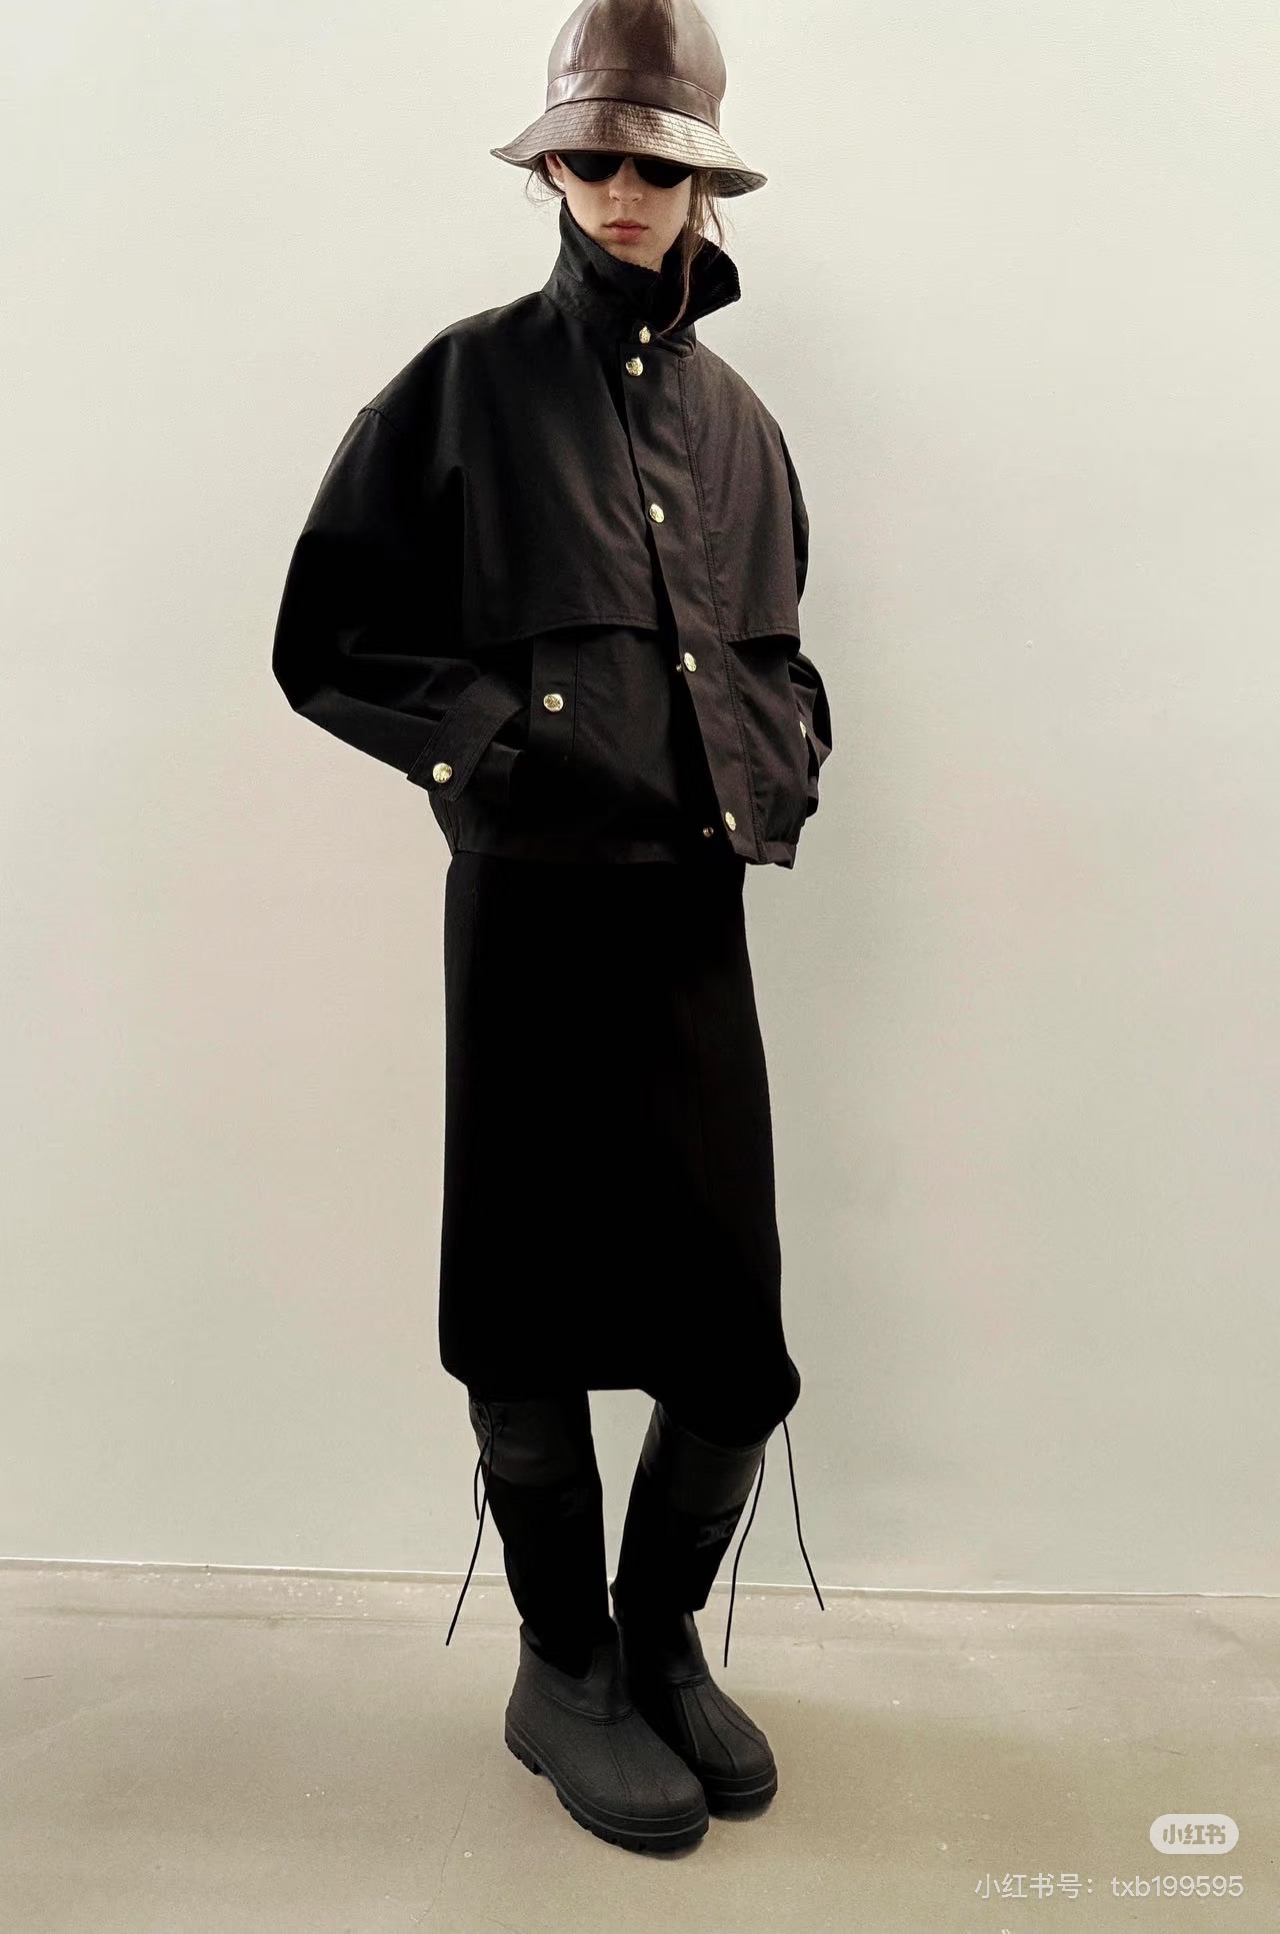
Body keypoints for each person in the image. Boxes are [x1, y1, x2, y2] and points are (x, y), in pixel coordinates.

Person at [271, 0, 831, 1857]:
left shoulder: (742, 428)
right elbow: (329, 640)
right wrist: (504, 748)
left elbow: (781, 652)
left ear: (703, 183)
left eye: (655, 162)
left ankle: (661, 1637)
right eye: (591, 157)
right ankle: (562, 1664)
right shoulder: (463, 387)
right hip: (525, 909)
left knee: (729, 1337)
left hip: (689, 917)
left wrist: (790, 746)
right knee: (524, 1300)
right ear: (553, 171)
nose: (621, 191)